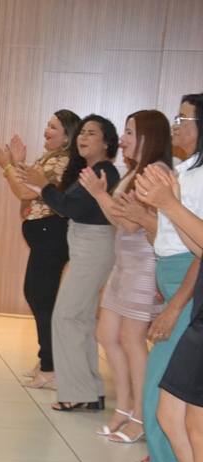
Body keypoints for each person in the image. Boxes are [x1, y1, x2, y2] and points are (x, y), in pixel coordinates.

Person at [78, 111, 171, 443]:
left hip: (143, 267)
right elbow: (119, 221)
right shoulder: (135, 170)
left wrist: (99, 193)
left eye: (131, 132)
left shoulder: (156, 172)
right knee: (107, 335)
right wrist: (101, 195)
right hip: (125, 264)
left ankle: (141, 418)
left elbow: (133, 223)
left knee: (133, 341)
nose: (125, 138)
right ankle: (125, 408)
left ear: (149, 137)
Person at [133, 93, 203, 462]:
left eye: (185, 118)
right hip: (182, 285)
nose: (178, 124)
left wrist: (176, 305)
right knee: (173, 411)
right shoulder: (186, 169)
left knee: (171, 406)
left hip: (188, 290)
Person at [18, 115, 120, 411]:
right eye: (82, 133)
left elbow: (70, 208)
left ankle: (76, 391)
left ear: (106, 142)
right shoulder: (91, 170)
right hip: (85, 247)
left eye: (92, 134)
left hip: (93, 248)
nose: (83, 138)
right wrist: (40, 186)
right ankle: (90, 391)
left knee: (66, 316)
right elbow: (68, 205)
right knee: (80, 319)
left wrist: (44, 186)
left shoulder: (103, 171)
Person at [0, 110, 80, 388]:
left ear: (67, 135)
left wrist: (7, 165)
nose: (46, 131)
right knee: (37, 295)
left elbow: (26, 191)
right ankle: (47, 359)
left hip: (52, 234)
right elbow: (27, 183)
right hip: (44, 236)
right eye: (47, 126)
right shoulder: (50, 158)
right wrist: (16, 163)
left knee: (41, 298)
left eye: (53, 127)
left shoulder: (62, 160)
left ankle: (51, 366)